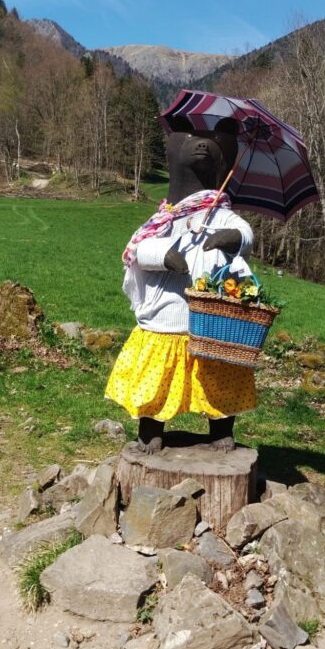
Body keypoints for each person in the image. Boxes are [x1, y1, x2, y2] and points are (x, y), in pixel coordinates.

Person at [105, 117, 256, 452]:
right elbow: (138, 250)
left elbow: (246, 234)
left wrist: (232, 236)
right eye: (192, 138)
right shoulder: (163, 218)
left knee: (217, 377)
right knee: (157, 377)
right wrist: (165, 255)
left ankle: (220, 428)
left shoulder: (221, 213)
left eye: (211, 140)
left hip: (211, 319)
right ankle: (151, 427)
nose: (201, 144)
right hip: (167, 313)